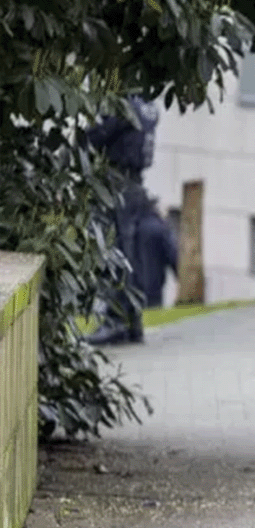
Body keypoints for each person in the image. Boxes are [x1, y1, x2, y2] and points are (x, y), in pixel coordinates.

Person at [85, 94, 160, 345]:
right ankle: (132, 322)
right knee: (132, 256)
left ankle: (115, 322)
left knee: (116, 253)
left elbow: (98, 135)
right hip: (136, 184)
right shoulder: (149, 107)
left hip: (119, 185)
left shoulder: (126, 106)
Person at [131, 196, 178, 309]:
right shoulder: (160, 228)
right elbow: (173, 256)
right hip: (153, 290)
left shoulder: (128, 226)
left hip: (129, 289)